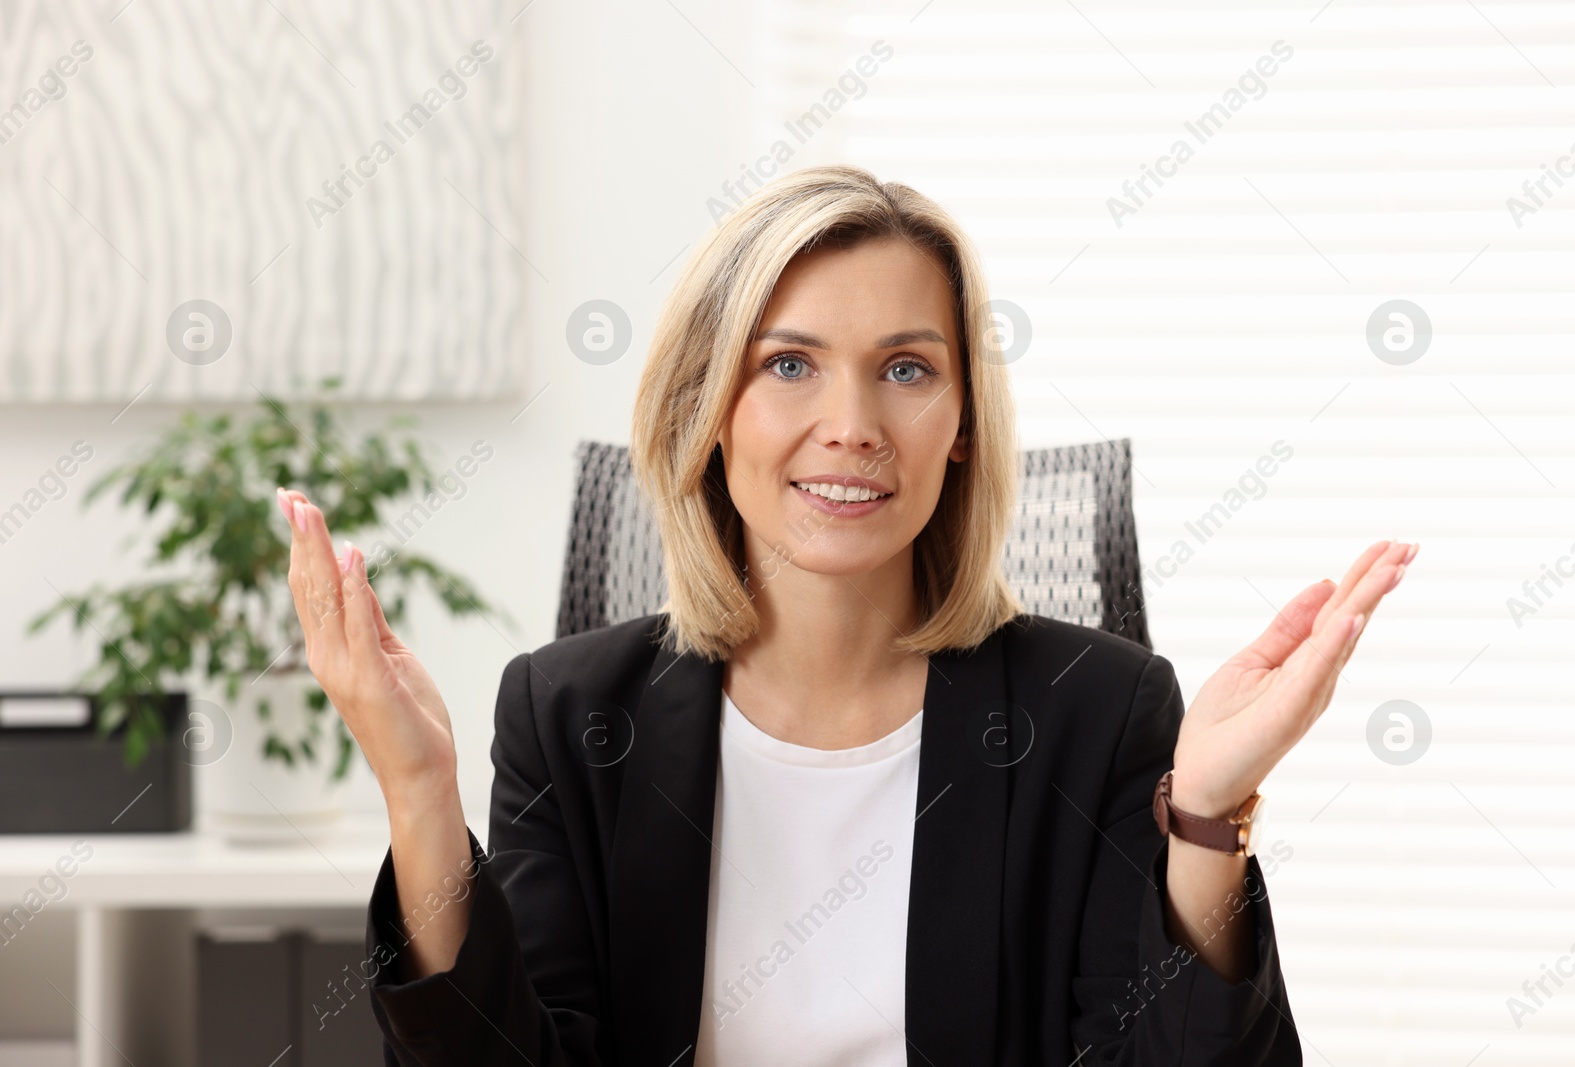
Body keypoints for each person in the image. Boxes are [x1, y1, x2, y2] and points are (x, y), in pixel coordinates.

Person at [276, 164, 1415, 1066]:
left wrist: (1207, 817)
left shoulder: (1103, 709)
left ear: (964, 421)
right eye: (789, 365)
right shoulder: (569, 709)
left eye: (907, 370)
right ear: (710, 409)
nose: (852, 423)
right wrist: (418, 790)